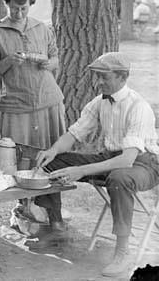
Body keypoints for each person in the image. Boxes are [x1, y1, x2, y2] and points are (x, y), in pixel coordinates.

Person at [35, 52, 159, 278]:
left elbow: (127, 160)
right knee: (55, 161)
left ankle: (122, 252)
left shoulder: (138, 107)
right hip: (111, 158)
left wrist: (80, 171)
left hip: (144, 165)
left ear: (122, 77)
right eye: (97, 76)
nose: (98, 82)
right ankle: (51, 225)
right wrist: (52, 150)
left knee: (120, 178)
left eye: (104, 77)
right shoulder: (99, 101)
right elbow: (74, 134)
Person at [0, 0, 66, 151]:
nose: (19, 14)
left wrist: (50, 63)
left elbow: (55, 57)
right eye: (14, 9)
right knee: (15, 152)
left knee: (50, 152)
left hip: (47, 99)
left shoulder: (42, 28)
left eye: (23, 9)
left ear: (30, 5)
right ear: (7, 5)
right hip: (15, 103)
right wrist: (9, 61)